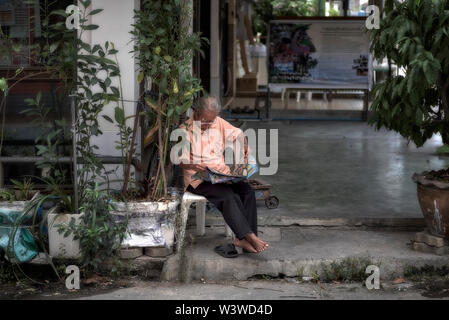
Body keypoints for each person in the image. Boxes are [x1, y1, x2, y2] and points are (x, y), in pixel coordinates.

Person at [178, 97, 269, 253]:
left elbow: (239, 135)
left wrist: (244, 157)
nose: (208, 124)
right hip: (199, 180)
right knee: (228, 196)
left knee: (247, 192)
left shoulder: (217, 122)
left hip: (221, 175)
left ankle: (243, 239)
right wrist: (193, 164)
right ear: (196, 112)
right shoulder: (184, 130)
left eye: (211, 121)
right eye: (205, 121)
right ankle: (248, 237)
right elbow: (181, 162)